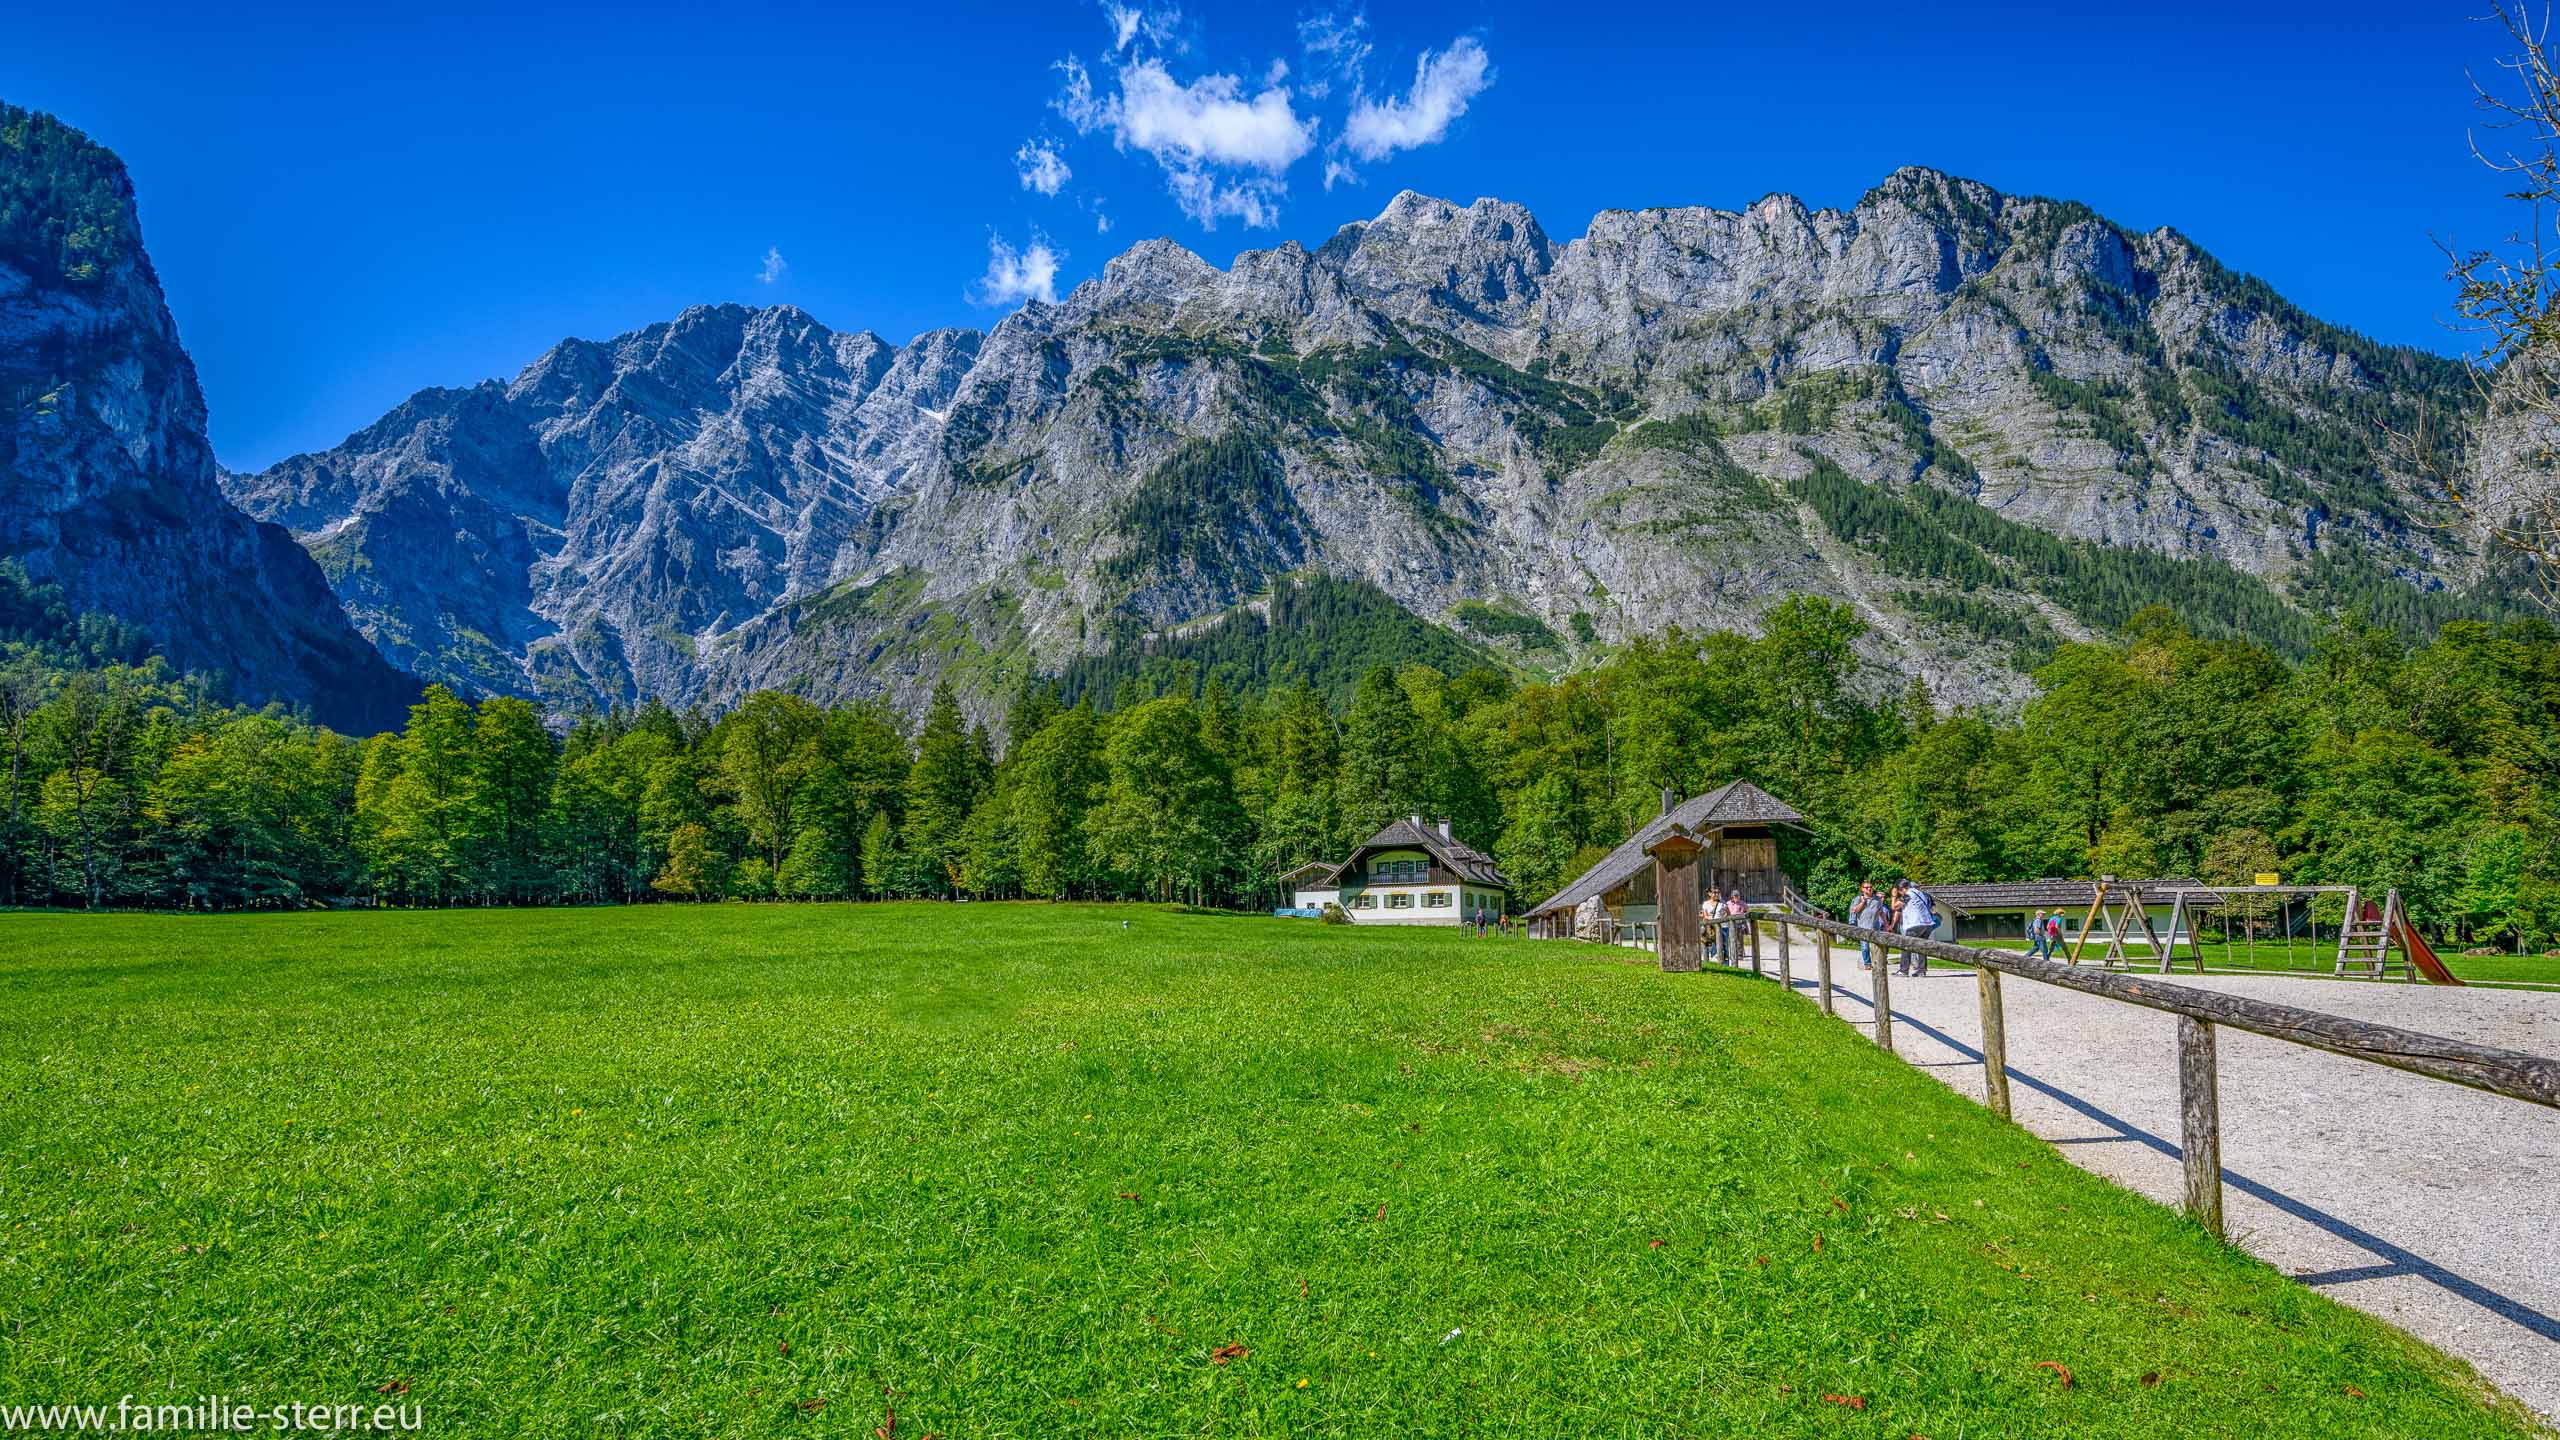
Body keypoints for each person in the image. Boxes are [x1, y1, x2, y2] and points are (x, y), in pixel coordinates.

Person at [1898, 880, 1939, 977]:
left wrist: (1894, 895)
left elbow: (1895, 906)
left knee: (1905, 945)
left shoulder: (1908, 894)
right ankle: (1921, 970)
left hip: (1916, 923)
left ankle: (1903, 970)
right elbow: (1933, 908)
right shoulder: (1924, 894)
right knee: (1921, 946)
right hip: (1927, 923)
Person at [1848, 880, 1882, 969]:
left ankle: (1877, 963)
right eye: (1867, 887)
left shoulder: (1877, 899)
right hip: (1863, 927)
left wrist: (1887, 924)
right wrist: (1863, 902)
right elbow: (1854, 910)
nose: (1869, 889)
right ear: (1862, 889)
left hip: (1875, 926)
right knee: (1865, 947)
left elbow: (1881, 912)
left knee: (1877, 946)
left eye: (1870, 887)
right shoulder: (1858, 899)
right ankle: (1867, 964)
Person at [1724, 888, 1749, 963]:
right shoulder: (1728, 903)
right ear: (1732, 896)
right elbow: (1725, 912)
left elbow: (1747, 911)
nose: (1736, 897)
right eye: (1735, 896)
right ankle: (1732, 953)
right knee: (1731, 938)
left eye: (1737, 896)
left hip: (1739, 923)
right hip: (1730, 923)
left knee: (1739, 939)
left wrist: (1744, 915)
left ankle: (1740, 954)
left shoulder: (1742, 903)